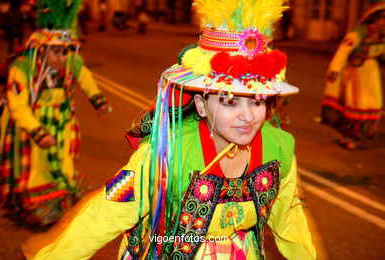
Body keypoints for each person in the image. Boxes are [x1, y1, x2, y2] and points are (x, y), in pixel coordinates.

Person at [22, 0, 316, 259]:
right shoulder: (165, 153)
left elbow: (291, 221)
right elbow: (106, 212)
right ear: (201, 105)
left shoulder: (279, 150)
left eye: (257, 101)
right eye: (229, 101)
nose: (247, 117)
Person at [0, 0, 111, 227]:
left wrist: (98, 100)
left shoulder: (70, 62)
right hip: (32, 125)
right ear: (41, 49)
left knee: (64, 160)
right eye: (56, 52)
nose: (62, 57)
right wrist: (37, 132)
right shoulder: (23, 67)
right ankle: (35, 200)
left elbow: (85, 77)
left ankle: (60, 194)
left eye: (66, 51)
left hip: (62, 121)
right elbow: (17, 104)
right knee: (36, 168)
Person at [320, 0, 385, 150]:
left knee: (373, 103)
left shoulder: (381, 36)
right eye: (382, 18)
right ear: (375, 18)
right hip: (356, 73)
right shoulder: (358, 33)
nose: (384, 23)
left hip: (371, 72)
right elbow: (343, 51)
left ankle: (358, 134)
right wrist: (334, 70)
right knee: (355, 103)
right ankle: (348, 137)